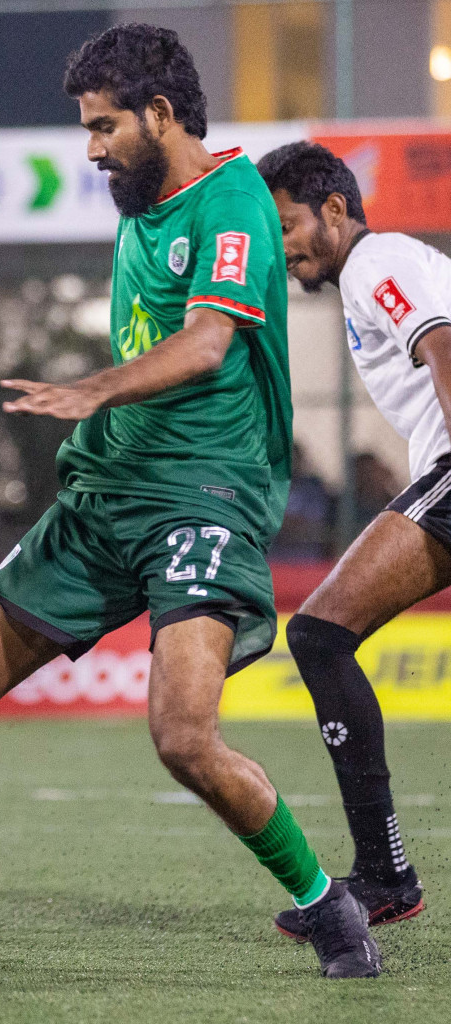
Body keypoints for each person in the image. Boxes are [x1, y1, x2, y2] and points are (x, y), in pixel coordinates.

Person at [0, 25, 379, 979]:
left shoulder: (234, 200)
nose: (93, 148)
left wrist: (95, 387)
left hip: (203, 499)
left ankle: (329, 905)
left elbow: (205, 348)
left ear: (161, 113)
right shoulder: (142, 198)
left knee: (183, 737)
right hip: (106, 498)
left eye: (105, 127)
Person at [256, 139, 451, 940]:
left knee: (318, 632)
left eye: (290, 224)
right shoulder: (365, 279)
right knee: (320, 635)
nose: (284, 244)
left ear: (335, 209)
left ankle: (384, 875)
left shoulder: (378, 263)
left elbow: (445, 347)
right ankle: (384, 874)